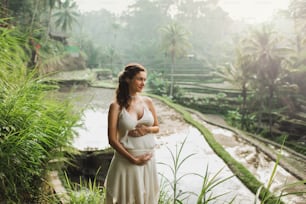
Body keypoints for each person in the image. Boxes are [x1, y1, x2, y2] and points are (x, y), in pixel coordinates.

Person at [105, 63, 160, 204]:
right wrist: (133, 160)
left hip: (148, 160)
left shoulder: (148, 102)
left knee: (147, 199)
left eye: (144, 80)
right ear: (128, 80)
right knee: (125, 200)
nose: (143, 83)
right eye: (139, 79)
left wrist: (147, 129)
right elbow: (112, 139)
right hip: (127, 162)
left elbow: (157, 127)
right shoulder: (116, 106)